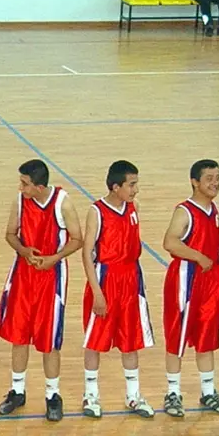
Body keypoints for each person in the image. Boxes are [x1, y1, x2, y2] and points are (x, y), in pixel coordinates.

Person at [0, 160, 83, 421]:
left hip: (52, 277)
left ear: (40, 186)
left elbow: (78, 238)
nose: (20, 187)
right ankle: (17, 391)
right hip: (23, 274)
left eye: (25, 183)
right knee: (19, 334)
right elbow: (10, 234)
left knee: (49, 338)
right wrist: (24, 251)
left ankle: (52, 395)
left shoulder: (62, 202)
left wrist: (54, 258)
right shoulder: (20, 201)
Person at [160, 160, 219, 417]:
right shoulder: (185, 211)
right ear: (195, 182)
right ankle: (172, 392)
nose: (215, 183)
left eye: (218, 177)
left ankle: (208, 391)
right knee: (177, 335)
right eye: (209, 178)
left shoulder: (213, 209)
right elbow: (169, 242)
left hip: (211, 281)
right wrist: (199, 256)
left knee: (207, 336)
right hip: (186, 279)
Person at [82, 161, 155, 418]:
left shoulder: (133, 207)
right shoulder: (97, 211)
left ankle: (133, 395)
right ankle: (91, 395)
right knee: (95, 341)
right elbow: (87, 253)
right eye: (131, 185)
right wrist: (97, 291)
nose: (136, 190)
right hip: (106, 278)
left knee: (131, 339)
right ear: (116, 187)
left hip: (131, 279)